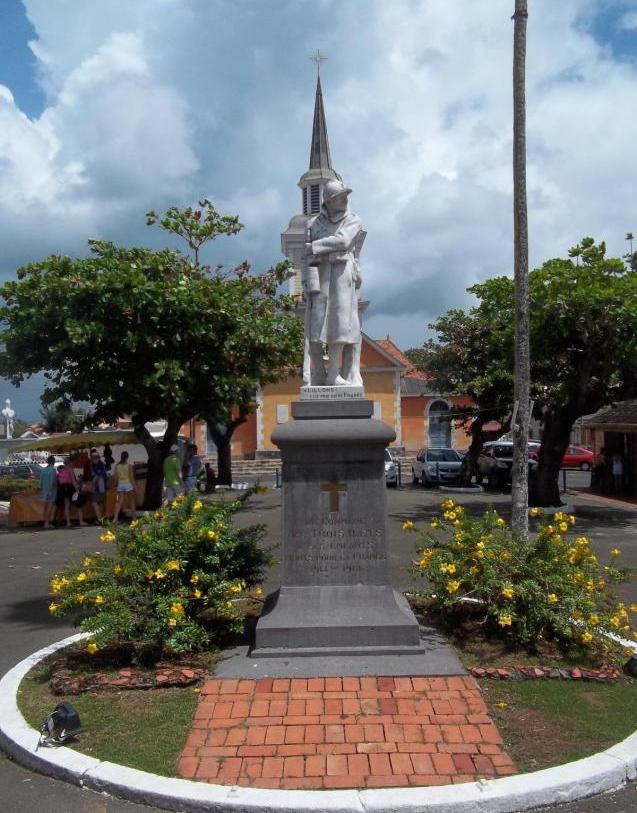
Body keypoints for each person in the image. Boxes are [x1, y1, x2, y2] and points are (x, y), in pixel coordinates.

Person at [303, 178, 364, 387]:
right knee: (317, 325)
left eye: (346, 195)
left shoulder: (353, 219)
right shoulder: (313, 224)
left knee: (340, 322)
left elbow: (344, 241)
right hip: (319, 275)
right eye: (340, 197)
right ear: (328, 200)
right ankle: (319, 372)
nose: (345, 199)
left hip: (341, 274)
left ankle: (334, 374)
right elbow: (306, 255)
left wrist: (315, 246)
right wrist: (307, 281)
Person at [55, 457, 81, 528]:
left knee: (65, 506)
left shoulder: (61, 469)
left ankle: (63, 521)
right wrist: (77, 490)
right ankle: (68, 522)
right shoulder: (70, 469)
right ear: (70, 462)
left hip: (61, 489)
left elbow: (58, 480)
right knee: (67, 506)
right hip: (68, 488)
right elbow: (73, 481)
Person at [112, 451, 137, 522]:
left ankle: (115, 518)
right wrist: (135, 487)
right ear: (127, 457)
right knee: (132, 502)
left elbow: (115, 477)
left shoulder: (117, 466)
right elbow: (131, 478)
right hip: (128, 484)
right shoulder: (129, 466)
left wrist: (115, 484)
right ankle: (134, 518)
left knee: (119, 502)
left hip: (120, 484)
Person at [88, 449, 108, 524]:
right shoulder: (97, 464)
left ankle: (100, 519)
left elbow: (97, 476)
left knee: (94, 502)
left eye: (93, 458)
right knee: (100, 503)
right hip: (101, 486)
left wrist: (91, 484)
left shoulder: (99, 464)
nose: (92, 459)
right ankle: (101, 519)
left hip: (99, 487)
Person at [39, 455, 57, 528]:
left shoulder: (43, 470)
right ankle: (47, 523)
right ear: (53, 462)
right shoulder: (53, 470)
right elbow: (53, 481)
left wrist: (41, 489)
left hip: (44, 490)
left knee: (45, 507)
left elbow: (40, 482)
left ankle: (45, 523)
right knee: (49, 507)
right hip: (51, 490)